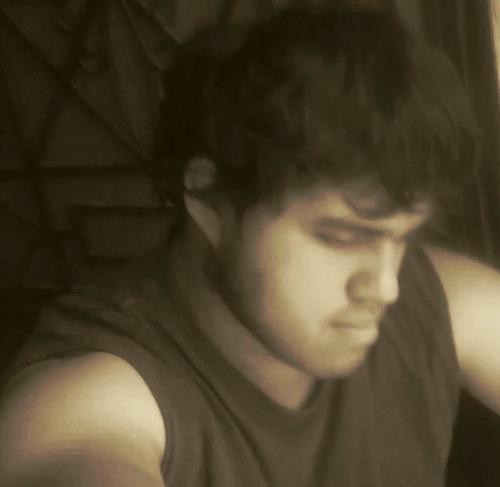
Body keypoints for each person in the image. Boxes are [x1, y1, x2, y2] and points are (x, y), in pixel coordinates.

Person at [1, 5, 499, 486]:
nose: (386, 286)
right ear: (209, 198)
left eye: (403, 237)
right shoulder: (88, 400)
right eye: (341, 238)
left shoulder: (431, 300)